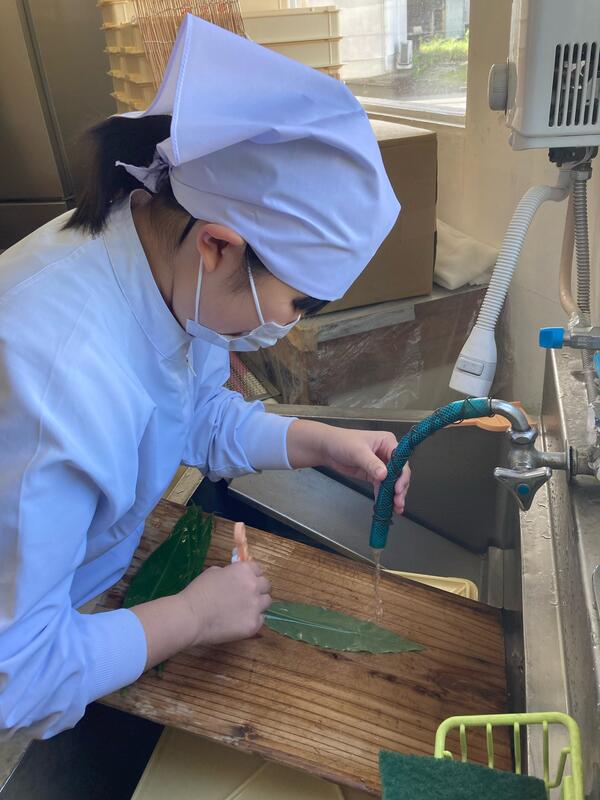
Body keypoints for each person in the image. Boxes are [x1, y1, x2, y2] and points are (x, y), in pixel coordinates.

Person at [0, 14, 410, 739]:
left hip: (71, 607)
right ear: (220, 246)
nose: (287, 326)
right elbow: (18, 676)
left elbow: (190, 414)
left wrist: (321, 443)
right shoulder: (56, 376)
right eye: (295, 305)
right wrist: (192, 616)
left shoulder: (169, 271)